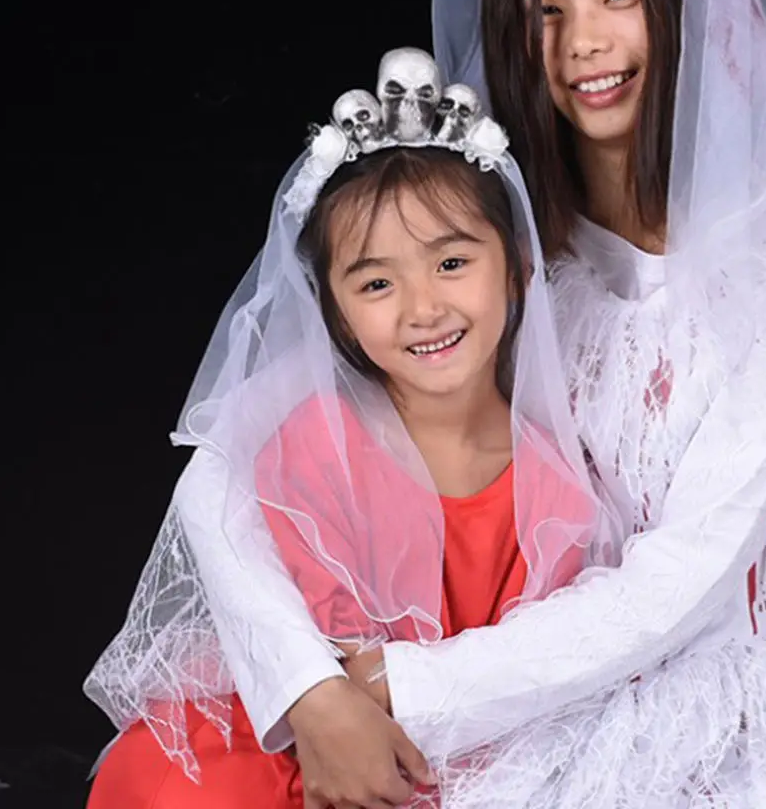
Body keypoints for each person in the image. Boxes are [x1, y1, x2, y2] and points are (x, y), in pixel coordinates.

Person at [91, 0, 766, 807]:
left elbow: (681, 579)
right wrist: (310, 690)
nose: (583, 42)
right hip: (494, 668)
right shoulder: (500, 248)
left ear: (684, 3)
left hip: (690, 695)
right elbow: (222, 468)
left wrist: (399, 686)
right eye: (547, 10)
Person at [84, 49, 618, 807]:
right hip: (318, 731)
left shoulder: (557, 488)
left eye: (452, 263)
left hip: (460, 743)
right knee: (177, 784)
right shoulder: (317, 445)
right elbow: (332, 671)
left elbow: (523, 674)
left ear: (517, 269)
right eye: (376, 283)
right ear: (334, 311)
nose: (422, 308)